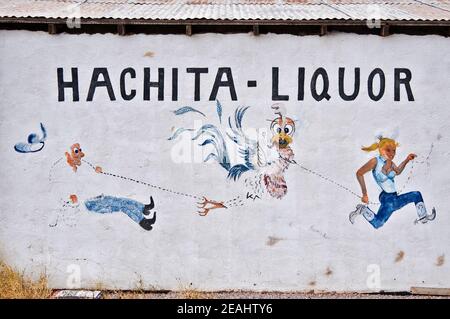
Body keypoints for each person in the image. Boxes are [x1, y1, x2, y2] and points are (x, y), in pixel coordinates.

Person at [350, 136, 436, 228]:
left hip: (392, 197)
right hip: (387, 197)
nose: (392, 154)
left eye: (394, 151)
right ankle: (423, 217)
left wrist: (407, 160)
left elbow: (398, 171)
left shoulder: (390, 162)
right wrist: (365, 194)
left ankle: (362, 210)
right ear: (381, 149)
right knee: (415, 195)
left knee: (378, 223)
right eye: (388, 150)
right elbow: (359, 173)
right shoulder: (375, 161)